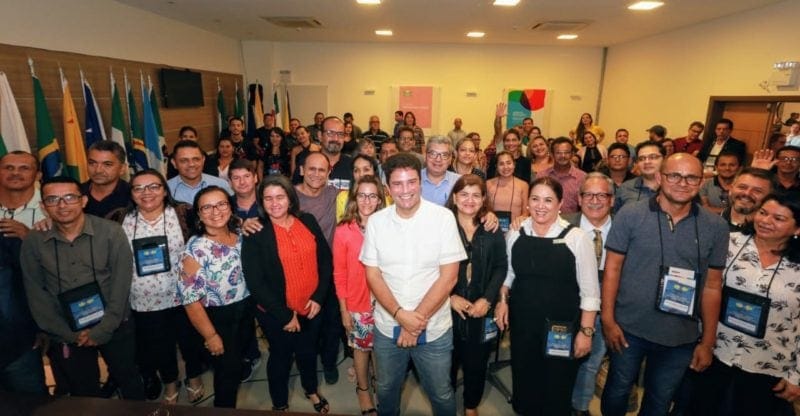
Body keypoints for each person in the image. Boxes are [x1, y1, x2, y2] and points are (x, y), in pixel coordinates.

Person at [600, 154, 729, 416]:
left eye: (691, 177)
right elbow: (612, 268)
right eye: (674, 175)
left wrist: (707, 341)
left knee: (660, 400)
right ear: (660, 178)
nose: (682, 183)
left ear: (701, 182)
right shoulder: (630, 214)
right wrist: (608, 319)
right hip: (628, 328)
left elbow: (713, 286)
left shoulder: (716, 227)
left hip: (680, 336)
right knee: (617, 391)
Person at [360, 153, 467, 416]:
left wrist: (414, 322)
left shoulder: (443, 218)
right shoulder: (376, 222)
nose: (405, 190)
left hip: (434, 328)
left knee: (441, 393)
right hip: (388, 327)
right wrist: (400, 315)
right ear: (387, 188)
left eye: (411, 182)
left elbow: (449, 277)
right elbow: (373, 275)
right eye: (397, 184)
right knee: (386, 389)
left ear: (420, 182)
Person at [21, 176, 145, 399]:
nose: (62, 205)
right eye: (53, 199)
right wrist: (67, 334)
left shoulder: (111, 232)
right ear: (43, 206)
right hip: (67, 329)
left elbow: (121, 283)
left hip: (114, 322)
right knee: (84, 392)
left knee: (129, 379)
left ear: (84, 200)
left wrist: (105, 327)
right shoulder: (34, 241)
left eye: (70, 197)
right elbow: (36, 292)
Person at [494, 177, 600, 415]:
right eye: (535, 199)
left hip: (561, 327)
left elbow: (590, 292)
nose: (541, 206)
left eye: (548, 200)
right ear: (528, 202)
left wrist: (586, 332)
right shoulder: (516, 233)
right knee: (525, 376)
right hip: (523, 324)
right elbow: (508, 275)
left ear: (560, 204)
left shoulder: (577, 238)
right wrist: (502, 301)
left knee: (557, 383)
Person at [689, 193, 800, 415]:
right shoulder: (727, 243)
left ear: (797, 228)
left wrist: (797, 376)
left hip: (769, 365)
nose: (766, 221)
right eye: (763, 213)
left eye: (778, 218)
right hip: (716, 352)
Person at [111, 169, 205, 403]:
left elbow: (213, 227)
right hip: (144, 300)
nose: (147, 193)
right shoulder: (119, 219)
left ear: (164, 190)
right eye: (138, 188)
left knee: (190, 340)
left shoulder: (184, 213)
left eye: (153, 186)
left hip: (183, 295)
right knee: (159, 346)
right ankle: (170, 382)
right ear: (131, 193)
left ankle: (194, 376)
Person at [242, 175, 332, 413]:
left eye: (280, 197)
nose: (274, 203)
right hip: (275, 313)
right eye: (268, 198)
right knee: (280, 357)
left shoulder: (308, 220)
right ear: (261, 202)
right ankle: (279, 403)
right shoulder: (255, 232)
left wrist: (319, 297)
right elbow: (255, 282)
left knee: (308, 352)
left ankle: (311, 389)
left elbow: (325, 260)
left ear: (290, 199)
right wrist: (284, 315)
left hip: (311, 307)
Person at [178, 186, 251, 408]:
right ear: (199, 215)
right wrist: (210, 336)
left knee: (234, 366)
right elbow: (190, 301)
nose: (215, 211)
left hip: (244, 311)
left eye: (221, 204)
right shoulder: (195, 250)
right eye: (207, 207)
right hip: (218, 319)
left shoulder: (239, 235)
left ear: (230, 207)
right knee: (227, 375)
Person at [445, 174, 507, 416]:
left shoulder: (491, 228)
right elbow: (428, 267)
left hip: (482, 308)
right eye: (464, 194)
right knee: (446, 361)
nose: (469, 200)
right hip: (446, 308)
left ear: (483, 199)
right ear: (454, 197)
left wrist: (488, 299)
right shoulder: (441, 226)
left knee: (477, 361)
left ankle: (471, 405)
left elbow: (501, 266)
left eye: (475, 195)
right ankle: (446, 404)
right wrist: (449, 298)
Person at [333, 175, 386, 416]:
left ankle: (380, 384)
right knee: (362, 349)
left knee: (382, 349)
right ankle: (363, 389)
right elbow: (339, 273)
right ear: (355, 198)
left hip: (385, 302)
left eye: (372, 195)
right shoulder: (344, 230)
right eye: (362, 195)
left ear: (380, 199)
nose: (367, 201)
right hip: (357, 303)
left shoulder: (388, 226)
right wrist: (344, 310)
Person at [564, 173, 615, 416]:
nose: (595, 201)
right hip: (565, 305)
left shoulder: (626, 229)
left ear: (612, 200)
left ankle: (580, 406)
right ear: (579, 198)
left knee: (591, 362)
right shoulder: (562, 224)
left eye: (601, 195)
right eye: (588, 195)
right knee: (558, 357)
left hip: (606, 309)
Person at [0, 151, 48, 395]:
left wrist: (29, 239)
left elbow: (62, 266)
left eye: (24, 168)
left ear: (38, 175)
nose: (15, 173)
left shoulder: (52, 209)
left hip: (24, 330)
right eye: (8, 167)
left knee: (31, 401)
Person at [168, 140, 232, 204]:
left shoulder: (221, 185)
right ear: (174, 163)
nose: (191, 164)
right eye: (184, 160)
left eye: (196, 159)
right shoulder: (166, 189)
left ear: (203, 160)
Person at [81, 140, 131, 218]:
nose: (98, 170)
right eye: (92, 163)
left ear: (122, 169)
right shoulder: (75, 194)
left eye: (107, 164)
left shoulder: (134, 196)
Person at [537, 137, 586, 214]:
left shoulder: (582, 177)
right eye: (558, 153)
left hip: (573, 220)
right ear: (552, 154)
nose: (563, 156)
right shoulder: (542, 176)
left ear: (572, 154)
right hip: (546, 219)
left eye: (566, 152)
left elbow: (586, 205)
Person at [486, 151, 528, 233]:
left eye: (509, 163)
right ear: (496, 167)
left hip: (515, 229)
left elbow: (525, 213)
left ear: (514, 164)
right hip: (493, 229)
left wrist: (520, 220)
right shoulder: (488, 184)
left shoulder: (523, 185)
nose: (505, 167)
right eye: (501, 164)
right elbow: (484, 209)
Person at [615, 141, 665, 210]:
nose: (647, 162)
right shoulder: (625, 188)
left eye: (653, 157)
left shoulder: (675, 187)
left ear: (665, 159)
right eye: (642, 159)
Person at [721, 167, 773, 231]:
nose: (747, 193)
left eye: (757, 191)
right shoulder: (712, 222)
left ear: (769, 197)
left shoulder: (769, 233)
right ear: (731, 189)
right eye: (742, 187)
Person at [336, 154, 380, 221]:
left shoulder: (386, 197)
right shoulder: (343, 197)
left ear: (374, 172)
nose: (361, 174)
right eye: (356, 170)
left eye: (366, 169)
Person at [421, 136, 461, 206]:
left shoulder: (459, 182)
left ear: (450, 159)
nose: (438, 159)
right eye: (433, 154)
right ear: (425, 155)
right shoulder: (413, 179)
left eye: (444, 155)